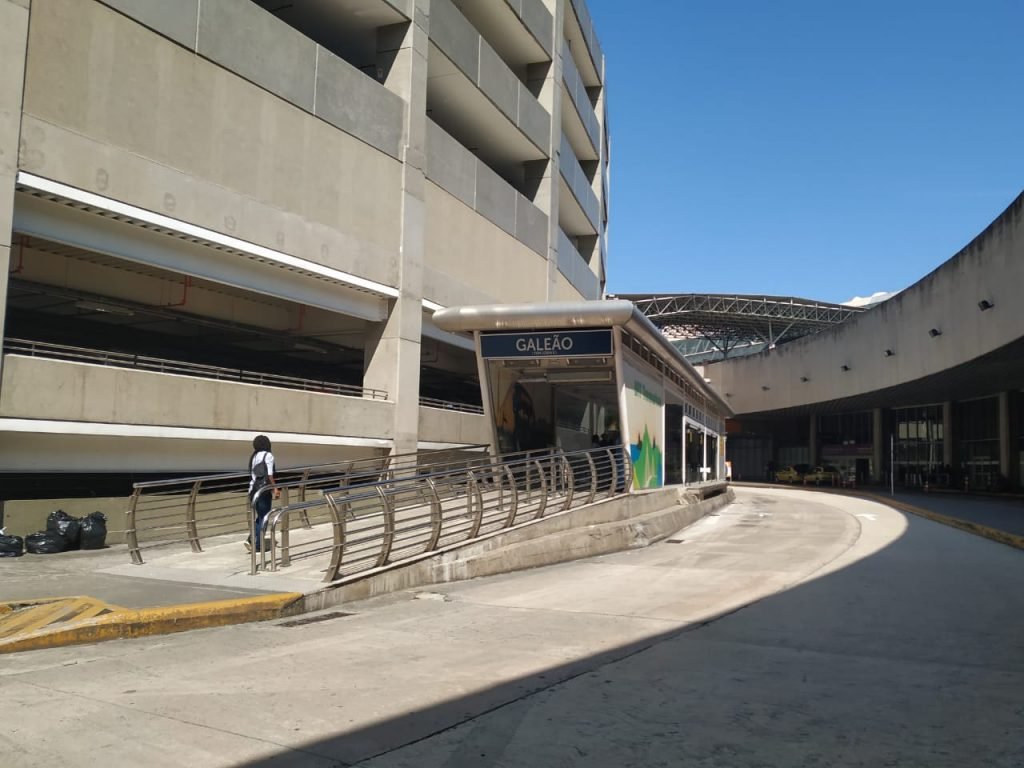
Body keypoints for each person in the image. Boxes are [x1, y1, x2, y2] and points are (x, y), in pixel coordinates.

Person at [245, 434, 279, 553]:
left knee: (260, 517)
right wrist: (275, 489)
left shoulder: (254, 457)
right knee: (264, 518)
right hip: (263, 491)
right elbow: (269, 475)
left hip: (253, 490)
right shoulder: (268, 455)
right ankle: (258, 545)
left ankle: (251, 539)